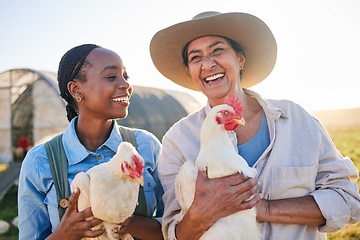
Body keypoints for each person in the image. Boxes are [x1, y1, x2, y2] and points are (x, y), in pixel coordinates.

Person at [149, 11, 360, 240]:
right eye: (195, 57)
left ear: (240, 59)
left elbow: (348, 200)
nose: (208, 64)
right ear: (190, 71)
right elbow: (172, 234)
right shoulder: (178, 141)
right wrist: (200, 214)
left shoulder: (297, 120)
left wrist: (262, 209)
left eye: (217, 50)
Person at [18, 44, 164, 240]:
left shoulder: (147, 146)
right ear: (76, 89)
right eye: (111, 77)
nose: (125, 85)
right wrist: (63, 235)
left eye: (125, 77)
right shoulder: (39, 161)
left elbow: (176, 229)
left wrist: (128, 223)